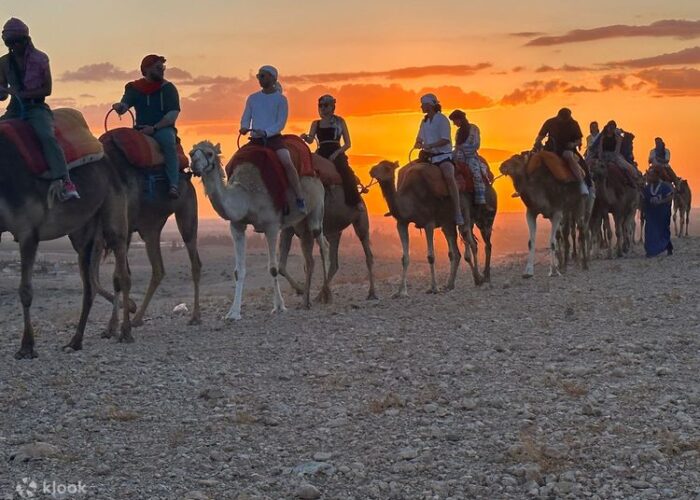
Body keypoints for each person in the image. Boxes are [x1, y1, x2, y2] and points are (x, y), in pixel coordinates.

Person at [0, 18, 79, 201]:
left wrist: (20, 93)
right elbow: (3, 93)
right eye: (10, 43)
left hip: (36, 107)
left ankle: (65, 180)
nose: (14, 46)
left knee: (46, 136)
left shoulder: (40, 59)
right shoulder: (4, 63)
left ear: (26, 39)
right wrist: (3, 92)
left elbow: (47, 89)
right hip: (14, 107)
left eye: (17, 41)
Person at [112, 54, 181, 199]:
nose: (162, 70)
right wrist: (120, 107)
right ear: (147, 69)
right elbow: (125, 105)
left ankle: (173, 184)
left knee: (168, 142)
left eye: (162, 67)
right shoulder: (134, 88)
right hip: (140, 129)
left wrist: (154, 128)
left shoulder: (168, 89)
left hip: (162, 129)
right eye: (158, 67)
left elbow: (172, 115)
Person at [240, 65, 305, 213]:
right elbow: (246, 117)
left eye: (262, 76)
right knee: (235, 162)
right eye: (259, 76)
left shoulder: (281, 100)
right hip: (255, 139)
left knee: (287, 162)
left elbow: (280, 123)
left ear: (272, 78)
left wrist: (266, 132)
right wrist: (244, 127)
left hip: (273, 140)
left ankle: (299, 197)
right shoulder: (252, 98)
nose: (260, 79)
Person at [301, 94, 362, 209]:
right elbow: (310, 139)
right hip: (321, 151)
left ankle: (356, 201)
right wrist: (305, 137)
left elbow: (348, 143)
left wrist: (336, 153)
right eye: (320, 105)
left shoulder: (340, 122)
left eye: (325, 105)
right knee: (308, 170)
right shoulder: (316, 123)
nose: (322, 108)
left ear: (332, 107)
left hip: (336, 151)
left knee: (345, 171)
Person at [415, 94, 464, 225]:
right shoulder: (424, 121)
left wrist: (431, 145)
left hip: (443, 157)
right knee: (410, 173)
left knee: (448, 176)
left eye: (423, 104)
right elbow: (419, 137)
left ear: (430, 105)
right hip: (428, 157)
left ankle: (457, 211)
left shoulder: (442, 120)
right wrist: (418, 143)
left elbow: (445, 140)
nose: (421, 106)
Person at [533, 108, 588, 195]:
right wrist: (537, 142)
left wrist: (573, 144)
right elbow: (541, 136)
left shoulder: (573, 124)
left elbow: (579, 140)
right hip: (550, 148)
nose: (564, 121)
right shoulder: (550, 122)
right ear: (558, 116)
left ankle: (582, 183)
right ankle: (527, 187)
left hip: (566, 149)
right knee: (534, 159)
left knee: (569, 157)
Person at [449, 109, 487, 206]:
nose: (454, 124)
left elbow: (476, 144)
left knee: (476, 174)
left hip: (470, 157)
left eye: (455, 121)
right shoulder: (458, 132)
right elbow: (457, 145)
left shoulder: (474, 129)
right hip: (457, 155)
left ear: (460, 119)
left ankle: (481, 202)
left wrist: (461, 149)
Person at [642, 166, 673, 257]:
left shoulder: (665, 186)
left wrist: (661, 202)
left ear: (657, 176)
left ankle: (667, 247)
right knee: (649, 231)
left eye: (651, 175)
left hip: (662, 213)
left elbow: (670, 197)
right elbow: (644, 200)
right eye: (649, 175)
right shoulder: (647, 188)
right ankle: (650, 251)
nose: (649, 177)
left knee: (663, 231)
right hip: (651, 214)